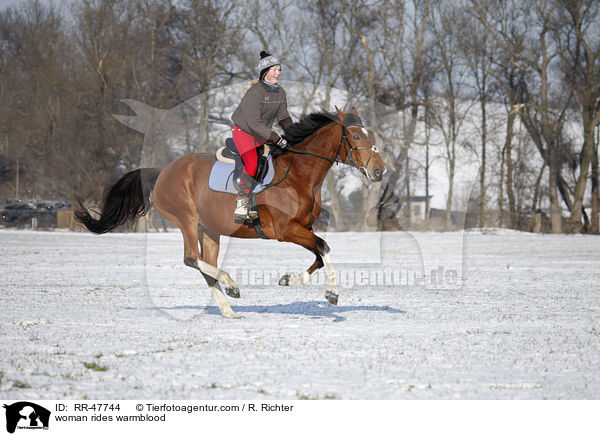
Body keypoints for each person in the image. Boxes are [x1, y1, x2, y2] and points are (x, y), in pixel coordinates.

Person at [230, 50, 293, 223]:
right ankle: (242, 201)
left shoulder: (280, 93)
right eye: (275, 70)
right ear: (265, 72)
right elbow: (253, 124)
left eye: (279, 70)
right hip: (244, 132)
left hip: (261, 133)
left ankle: (255, 200)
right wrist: (276, 138)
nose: (278, 73)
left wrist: (296, 134)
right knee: (252, 163)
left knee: (270, 163)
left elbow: (284, 118)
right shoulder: (255, 93)